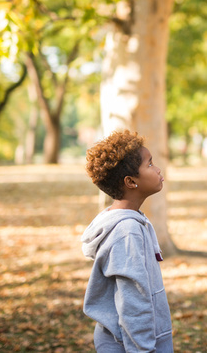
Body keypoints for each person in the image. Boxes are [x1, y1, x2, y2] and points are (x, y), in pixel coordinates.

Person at [80, 130, 173, 352]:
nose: (158, 169)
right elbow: (133, 302)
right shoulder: (127, 231)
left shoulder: (131, 221)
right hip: (130, 345)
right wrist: (143, 349)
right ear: (131, 181)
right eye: (150, 164)